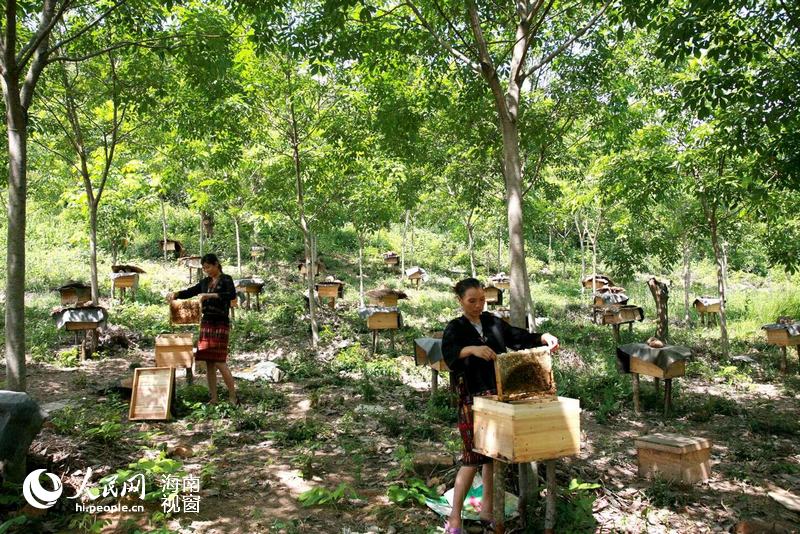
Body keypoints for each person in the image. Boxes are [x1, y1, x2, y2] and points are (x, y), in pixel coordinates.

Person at [441, 278, 559, 533]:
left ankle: (487, 510)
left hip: (498, 397)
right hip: (472, 399)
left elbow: (517, 336)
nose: (478, 305)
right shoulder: (456, 328)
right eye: (472, 301)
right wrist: (472, 349)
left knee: (493, 456)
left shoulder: (493, 322)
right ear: (460, 300)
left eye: (482, 300)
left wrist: (542, 337)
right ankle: (454, 518)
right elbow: (449, 355)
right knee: (472, 459)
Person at [167, 253, 239, 405]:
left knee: (220, 361)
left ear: (216, 264)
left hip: (220, 322)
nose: (206, 270)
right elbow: (190, 291)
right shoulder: (205, 282)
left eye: (208, 267)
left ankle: (233, 396)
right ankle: (214, 398)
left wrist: (209, 295)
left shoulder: (226, 279)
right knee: (209, 362)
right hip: (206, 322)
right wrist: (176, 294)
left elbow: (231, 295)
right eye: (204, 268)